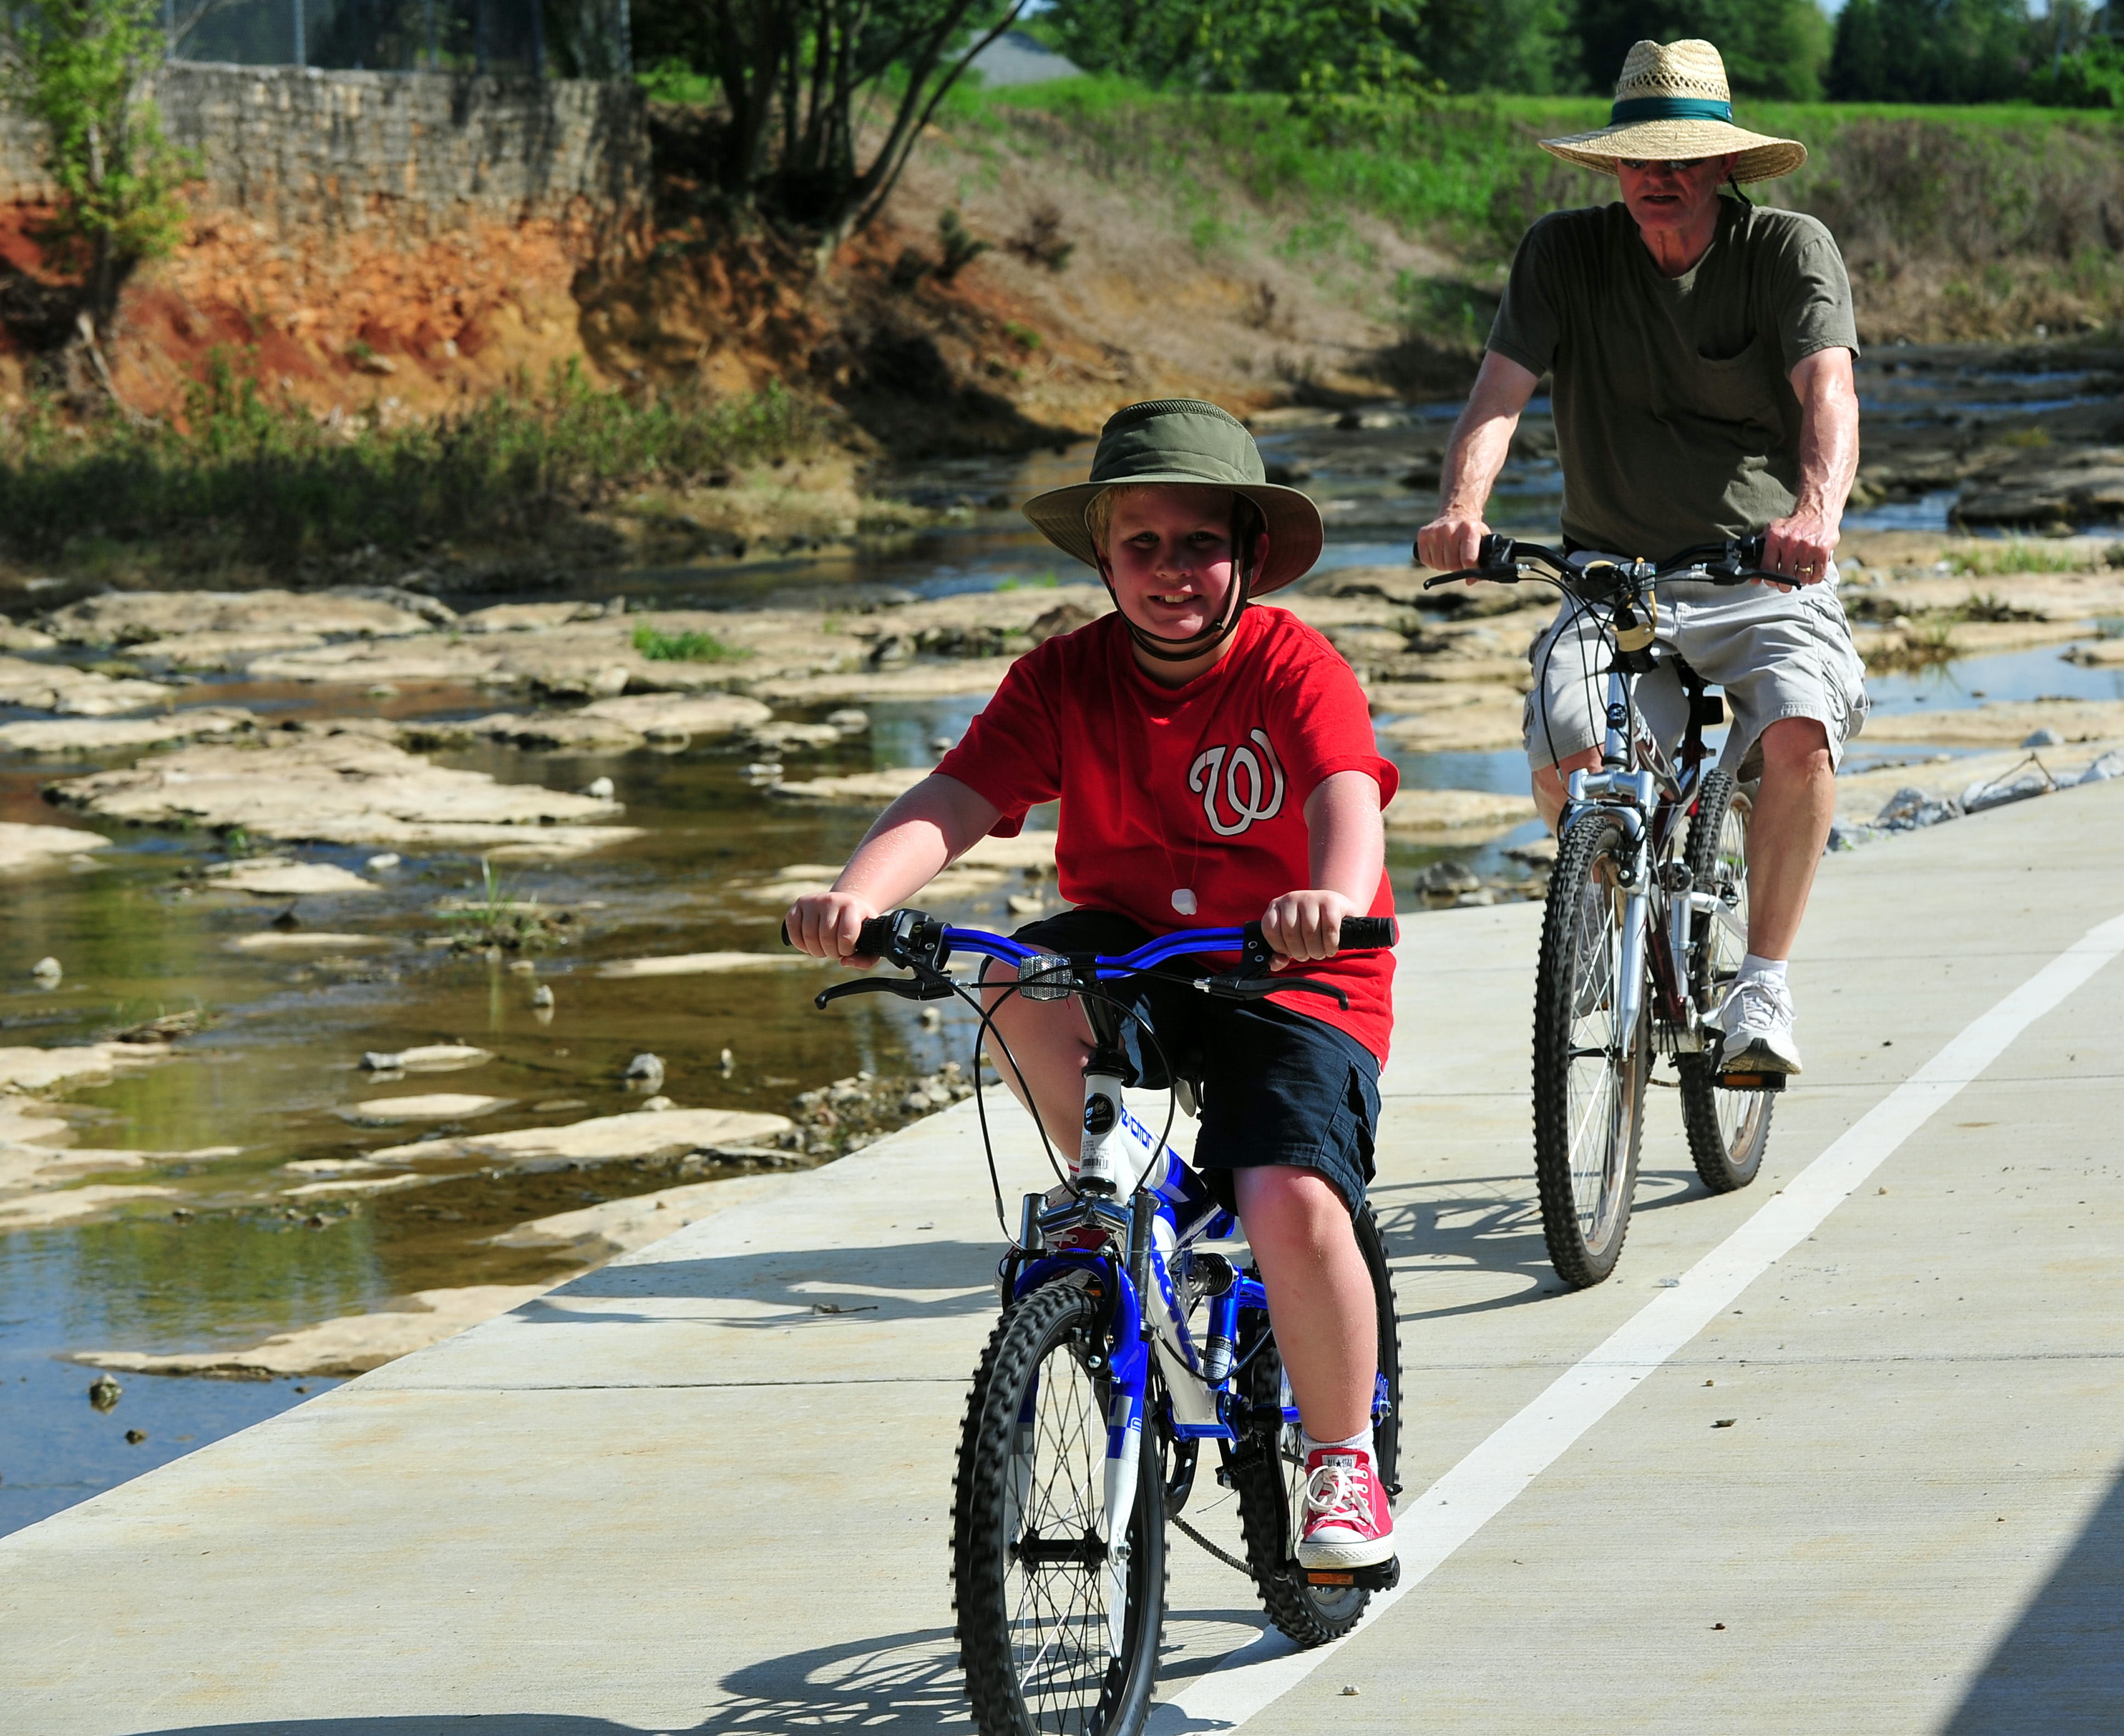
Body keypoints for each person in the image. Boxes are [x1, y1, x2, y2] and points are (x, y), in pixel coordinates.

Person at [785, 398, 1400, 1570]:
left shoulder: (1294, 667)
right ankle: (1130, 1184)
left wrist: (1330, 896)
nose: (1171, 572)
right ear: (1103, 557)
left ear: (1251, 555)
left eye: (1200, 544)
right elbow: (955, 800)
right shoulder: (1063, 677)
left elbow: (1344, 794)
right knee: (1012, 978)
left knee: (1284, 1194)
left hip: (1292, 968)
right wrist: (860, 895)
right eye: (1142, 546)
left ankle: (1341, 1458)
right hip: (1132, 947)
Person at [1416, 37, 1867, 1078]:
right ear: (1614, 164)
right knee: (1576, 754)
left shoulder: (1788, 250)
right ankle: (1612, 903)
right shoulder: (1563, 254)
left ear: (1722, 165)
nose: (1658, 178)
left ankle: (1761, 987)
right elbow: (1496, 397)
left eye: (1680, 159)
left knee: (1799, 728)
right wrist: (1462, 508)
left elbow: (1830, 393)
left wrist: (1814, 513)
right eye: (1639, 158)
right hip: (1611, 577)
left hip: (1761, 572)